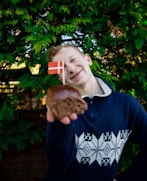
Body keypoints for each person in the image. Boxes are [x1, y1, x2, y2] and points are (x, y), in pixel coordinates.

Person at [44, 44, 147, 181]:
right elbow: (57, 162)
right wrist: (59, 126)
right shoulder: (62, 110)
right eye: (62, 67)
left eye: (73, 60)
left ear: (88, 59)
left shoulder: (126, 105)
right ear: (59, 77)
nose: (71, 68)